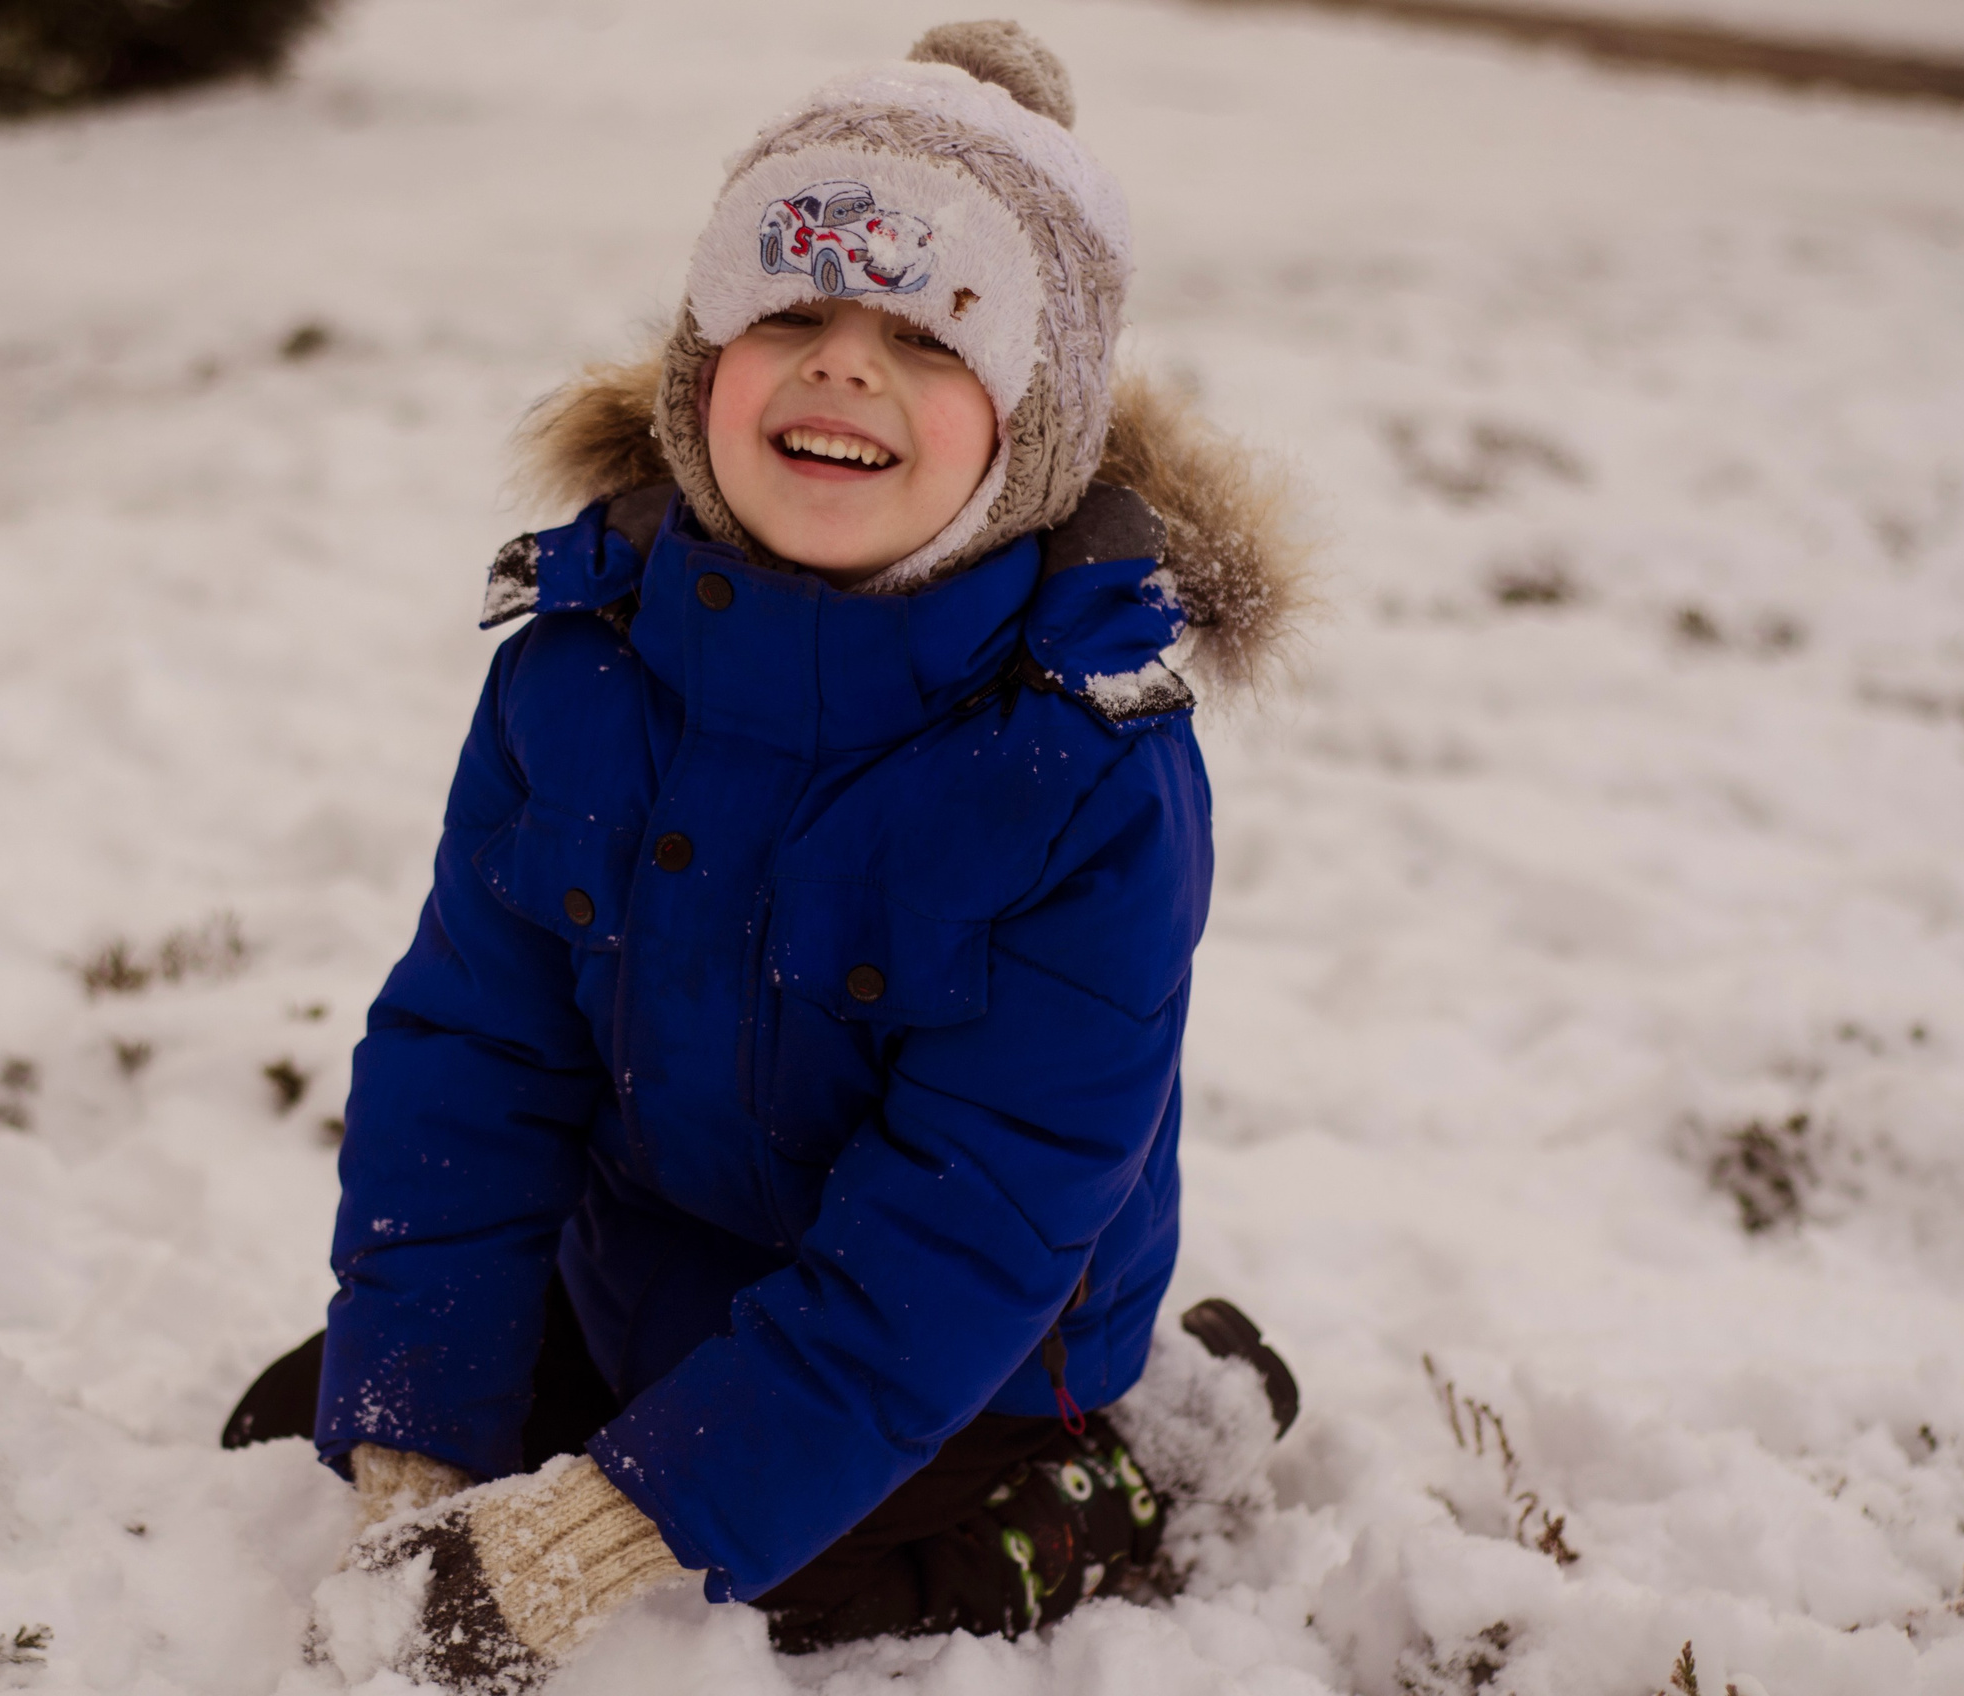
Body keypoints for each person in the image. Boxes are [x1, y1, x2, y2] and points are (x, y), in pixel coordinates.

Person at [224, 20, 1309, 1691]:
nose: (843, 369)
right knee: (345, 1417)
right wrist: (425, 1434)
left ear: (1035, 425)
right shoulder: (578, 664)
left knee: (797, 1599)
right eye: (789, 311)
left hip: (975, 1357)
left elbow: (973, 1221)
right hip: (644, 1271)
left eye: (932, 340)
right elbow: (474, 1051)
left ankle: (1142, 1457)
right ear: (698, 366)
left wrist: (614, 1528)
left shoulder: (1086, 771)